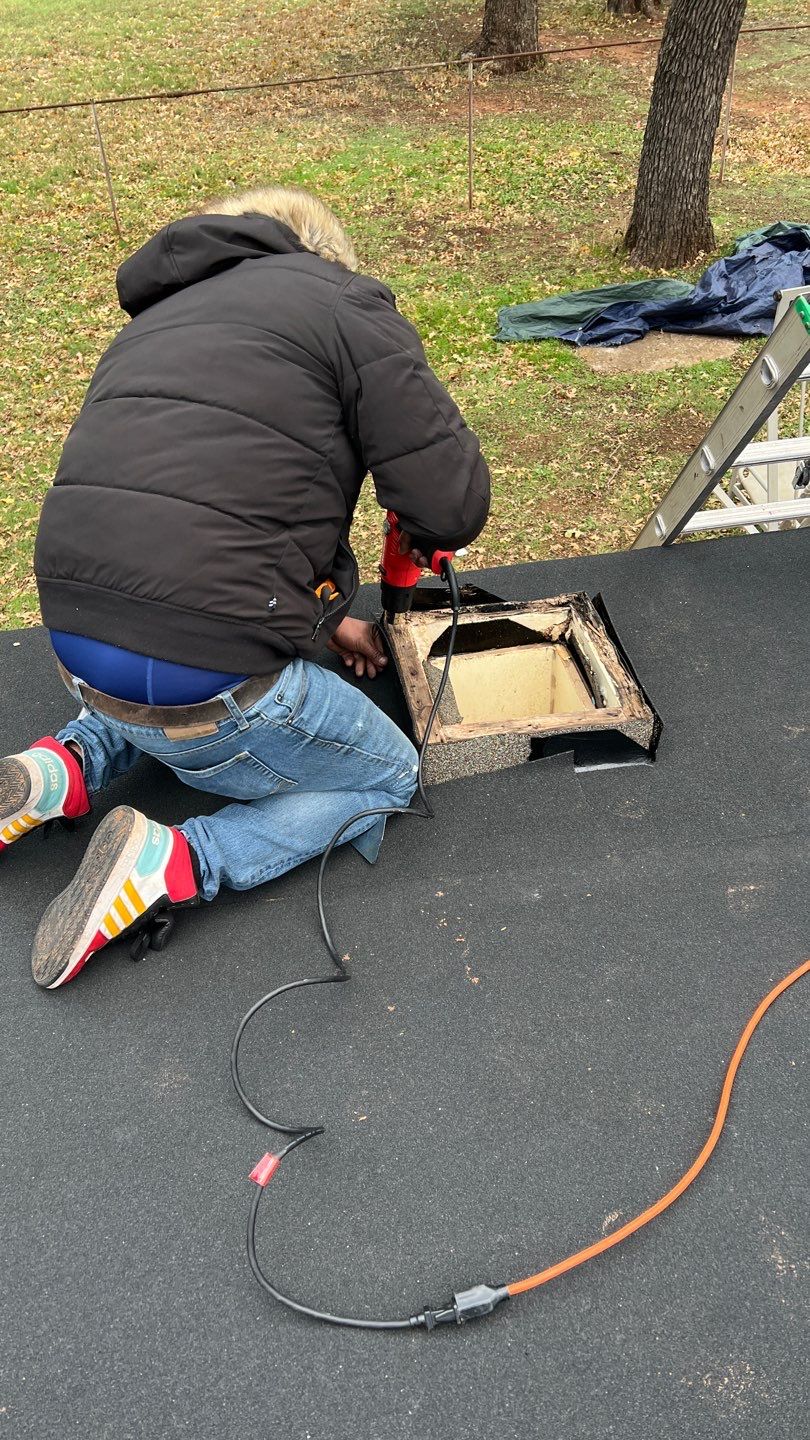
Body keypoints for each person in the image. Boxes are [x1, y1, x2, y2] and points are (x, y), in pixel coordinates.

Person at [2, 184, 490, 990]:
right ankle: (173, 860)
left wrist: (329, 617)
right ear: (325, 251)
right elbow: (448, 504)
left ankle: (60, 768)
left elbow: (227, 504)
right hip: (206, 681)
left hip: (79, 643)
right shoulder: (344, 302)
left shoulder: (159, 320)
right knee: (388, 776)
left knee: (161, 641)